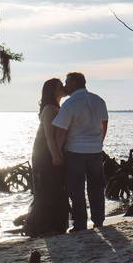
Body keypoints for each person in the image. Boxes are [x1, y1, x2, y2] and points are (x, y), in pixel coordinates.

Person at [52, 72, 109, 232]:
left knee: (76, 188)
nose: (65, 86)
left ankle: (80, 224)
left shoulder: (70, 104)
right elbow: (104, 123)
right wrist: (99, 141)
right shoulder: (99, 100)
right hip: (95, 151)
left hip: (75, 151)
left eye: (67, 82)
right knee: (97, 187)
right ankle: (98, 221)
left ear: (75, 83)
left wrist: (58, 152)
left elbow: (60, 131)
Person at [23, 78, 70, 237]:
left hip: (53, 150)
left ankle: (55, 224)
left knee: (55, 187)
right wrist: (56, 156)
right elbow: (49, 137)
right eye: (60, 86)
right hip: (45, 152)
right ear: (52, 91)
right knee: (46, 188)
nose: (63, 87)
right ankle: (41, 226)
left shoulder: (58, 106)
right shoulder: (49, 109)